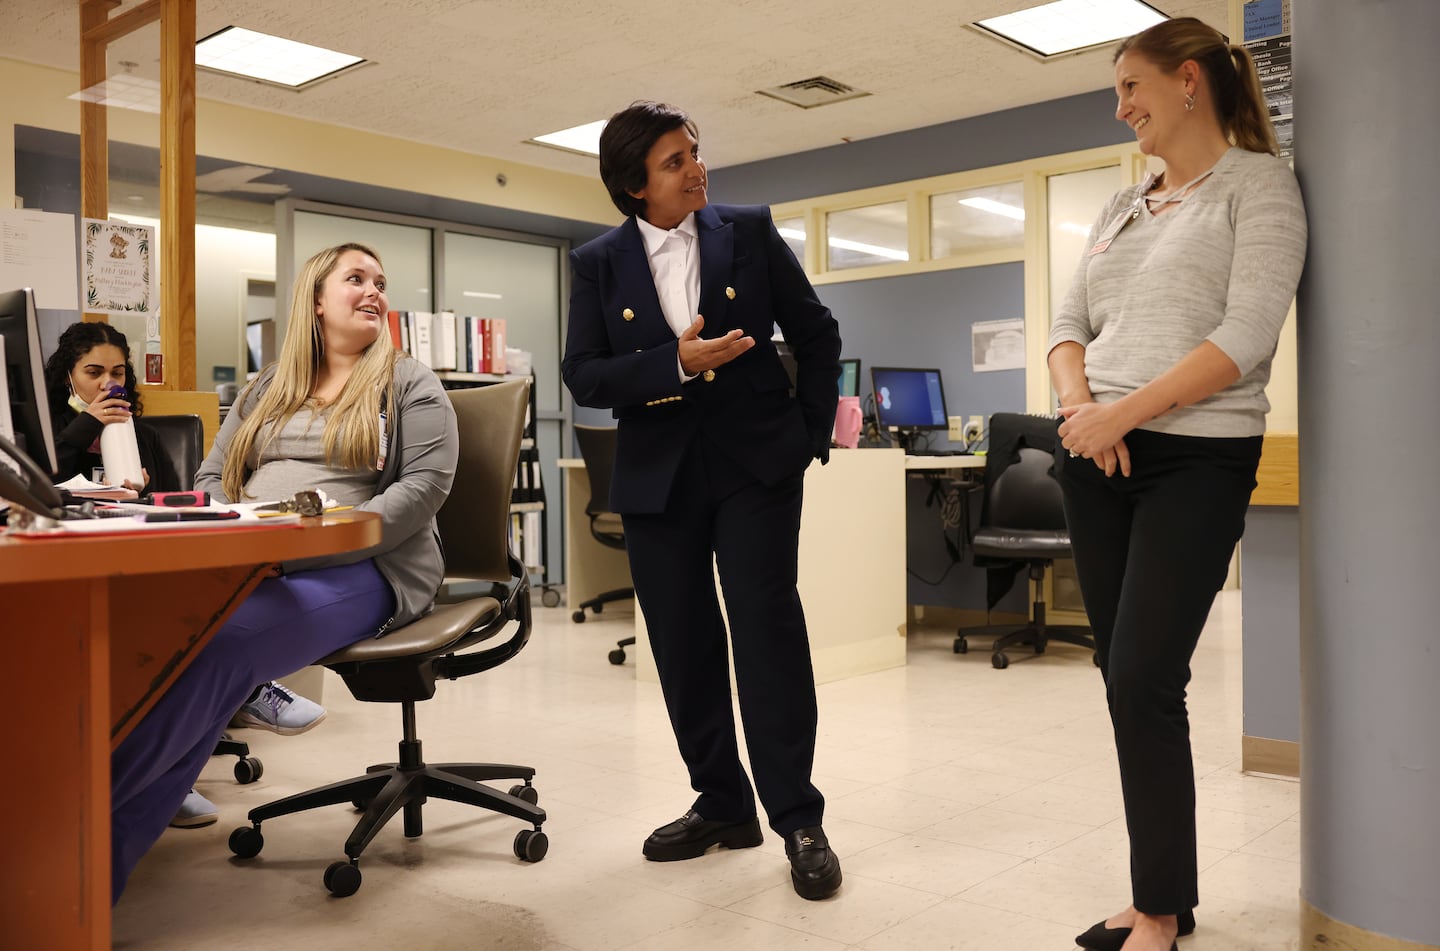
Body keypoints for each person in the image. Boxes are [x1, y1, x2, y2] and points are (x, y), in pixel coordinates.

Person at [1046, 18, 1307, 951]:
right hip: (1097, 455)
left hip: (1195, 455)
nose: (1121, 110)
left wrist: (1125, 411)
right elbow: (1069, 318)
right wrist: (1083, 408)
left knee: (1147, 676)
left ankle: (1158, 907)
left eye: (1129, 88)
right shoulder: (1122, 206)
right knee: (1125, 680)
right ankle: (1163, 895)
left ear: (1187, 80)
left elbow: (1246, 335)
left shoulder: (1259, 189)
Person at [108, 242, 458, 901]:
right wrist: (235, 534)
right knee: (154, 636)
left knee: (226, 643)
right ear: (316, 299)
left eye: (380, 280)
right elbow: (214, 477)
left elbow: (423, 490)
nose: (374, 290)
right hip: (257, 558)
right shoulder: (267, 385)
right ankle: (79, 824)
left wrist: (313, 546)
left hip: (371, 565)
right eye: (355, 278)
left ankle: (89, 854)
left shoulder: (411, 382)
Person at [562, 101, 843, 900]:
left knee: (765, 633)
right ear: (634, 185)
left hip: (756, 466)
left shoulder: (747, 230)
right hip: (658, 475)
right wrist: (672, 362)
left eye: (694, 152)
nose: (696, 168)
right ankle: (723, 802)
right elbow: (584, 372)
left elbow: (816, 332)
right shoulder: (597, 261)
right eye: (674, 161)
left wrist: (809, 434)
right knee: (682, 646)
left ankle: (796, 815)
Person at [43, 321, 329, 830]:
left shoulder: (144, 436)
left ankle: (182, 767)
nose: (108, 384)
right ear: (68, 377)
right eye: (93, 372)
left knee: (181, 603)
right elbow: (38, 486)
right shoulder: (46, 434)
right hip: (69, 567)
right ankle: (236, 704)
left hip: (135, 559)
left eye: (117, 372)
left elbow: (179, 510)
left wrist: (142, 495)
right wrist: (84, 427)